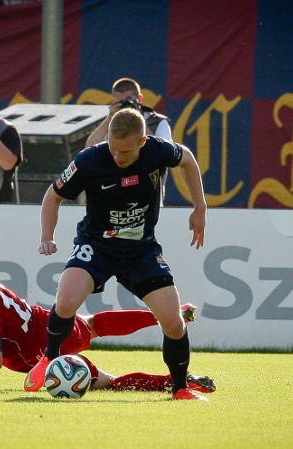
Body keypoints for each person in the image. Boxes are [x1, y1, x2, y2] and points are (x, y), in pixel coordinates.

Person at [24, 108, 209, 400]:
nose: (118, 157)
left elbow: (186, 158)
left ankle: (180, 388)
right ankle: (49, 357)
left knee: (174, 322)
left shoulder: (157, 151)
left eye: (125, 151)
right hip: (96, 245)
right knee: (67, 301)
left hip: (141, 250)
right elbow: (53, 195)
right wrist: (48, 236)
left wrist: (200, 206)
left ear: (142, 142)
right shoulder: (89, 160)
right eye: (113, 148)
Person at [0, 247, 215, 395]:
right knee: (93, 327)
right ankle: (170, 329)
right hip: (41, 333)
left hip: (47, 347)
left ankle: (181, 378)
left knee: (105, 376)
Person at [85, 77, 172, 204]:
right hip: (113, 197)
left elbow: (166, 153)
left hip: (148, 197)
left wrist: (139, 120)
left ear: (140, 99)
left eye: (128, 100)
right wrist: (110, 118)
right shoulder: (111, 122)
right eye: (119, 101)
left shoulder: (157, 122)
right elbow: (89, 149)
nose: (125, 105)